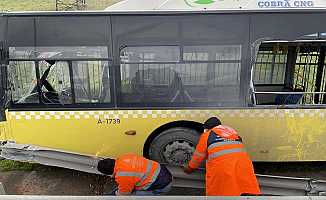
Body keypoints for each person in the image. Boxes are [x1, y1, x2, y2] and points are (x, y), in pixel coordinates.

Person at [183, 117, 261, 196]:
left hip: (223, 169)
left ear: (208, 128)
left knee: (221, 192)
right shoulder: (234, 134)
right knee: (243, 189)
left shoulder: (207, 135)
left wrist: (189, 168)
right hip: (244, 167)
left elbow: (198, 156)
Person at [97, 153, 173, 196]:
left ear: (108, 173)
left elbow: (124, 195)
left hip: (162, 187)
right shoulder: (125, 157)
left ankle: (155, 195)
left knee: (131, 196)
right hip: (165, 173)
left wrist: (115, 194)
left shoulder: (123, 176)